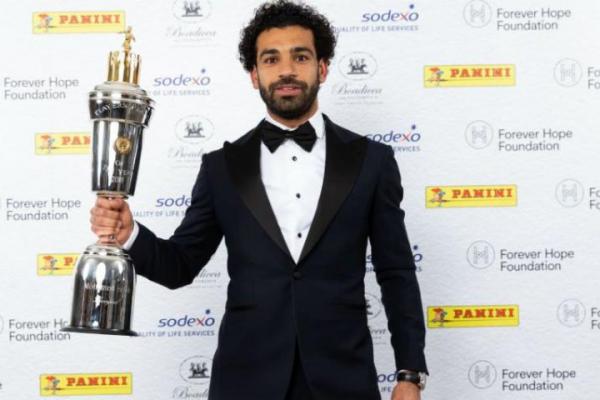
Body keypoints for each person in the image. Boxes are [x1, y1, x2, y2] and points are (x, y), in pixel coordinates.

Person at [90, 1, 428, 399]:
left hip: (343, 381)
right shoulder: (221, 167)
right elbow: (180, 265)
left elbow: (396, 272)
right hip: (245, 382)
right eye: (271, 59)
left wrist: (409, 374)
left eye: (300, 57)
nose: (286, 70)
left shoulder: (372, 162)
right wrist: (130, 235)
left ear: (322, 68)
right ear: (254, 75)